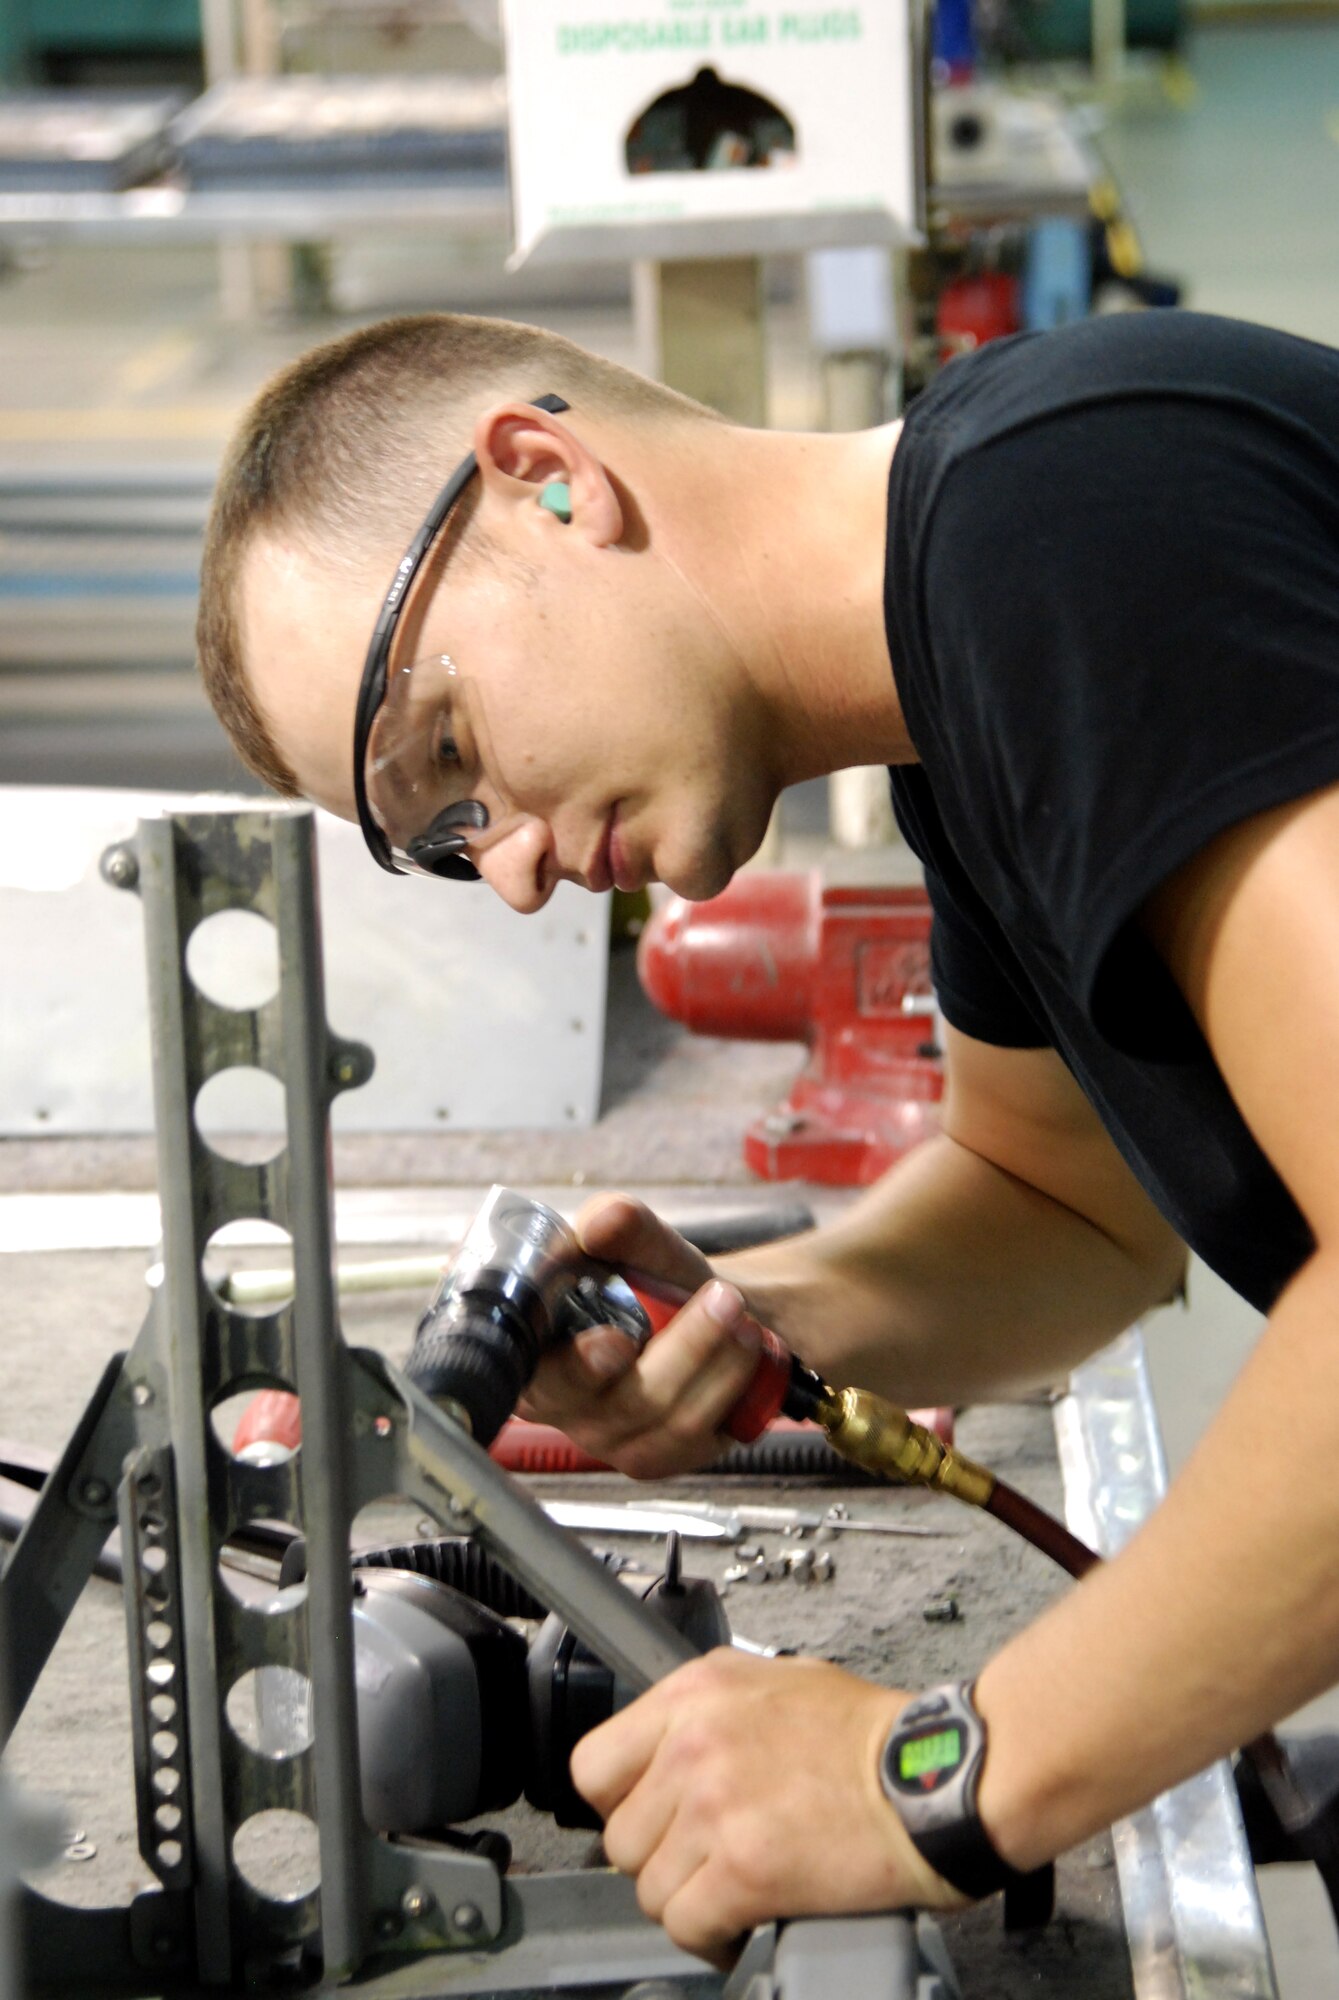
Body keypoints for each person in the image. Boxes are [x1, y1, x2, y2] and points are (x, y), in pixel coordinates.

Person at [198, 305, 1339, 1965]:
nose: (506, 866)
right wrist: (750, 1326)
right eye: (442, 843)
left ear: (547, 479)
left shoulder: (1063, 520)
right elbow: (1064, 1210)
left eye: (449, 754)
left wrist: (924, 1779)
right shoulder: (964, 669)